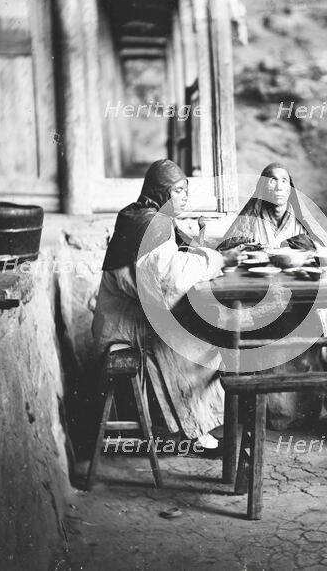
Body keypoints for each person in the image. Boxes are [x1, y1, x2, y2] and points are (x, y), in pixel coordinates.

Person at [92, 159, 245, 452]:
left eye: (186, 189)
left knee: (200, 335)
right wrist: (219, 261)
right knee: (201, 345)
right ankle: (195, 431)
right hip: (126, 325)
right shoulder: (151, 223)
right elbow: (168, 279)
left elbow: (165, 268)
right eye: (177, 190)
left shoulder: (142, 215)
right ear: (161, 192)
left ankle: (196, 427)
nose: (184, 196)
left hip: (131, 314)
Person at [217, 162, 327, 429]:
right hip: (259, 297)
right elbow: (225, 253)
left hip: (300, 294)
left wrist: (308, 246)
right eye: (272, 180)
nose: (278, 187)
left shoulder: (301, 218)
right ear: (262, 187)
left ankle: (314, 405)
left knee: (325, 321)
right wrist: (248, 249)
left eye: (284, 181)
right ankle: (269, 409)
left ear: (291, 188)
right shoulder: (250, 217)